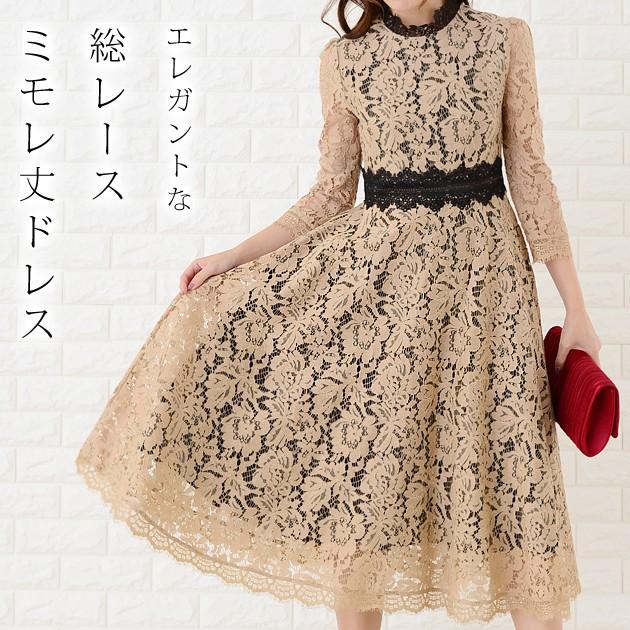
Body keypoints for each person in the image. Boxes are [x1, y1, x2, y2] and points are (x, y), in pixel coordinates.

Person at [75, 1, 602, 629]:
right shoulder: (346, 59)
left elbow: (531, 176)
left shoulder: (503, 40)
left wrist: (576, 308)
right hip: (384, 306)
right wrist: (233, 257)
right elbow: (331, 193)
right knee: (365, 496)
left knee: (517, 488)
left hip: (489, 299)